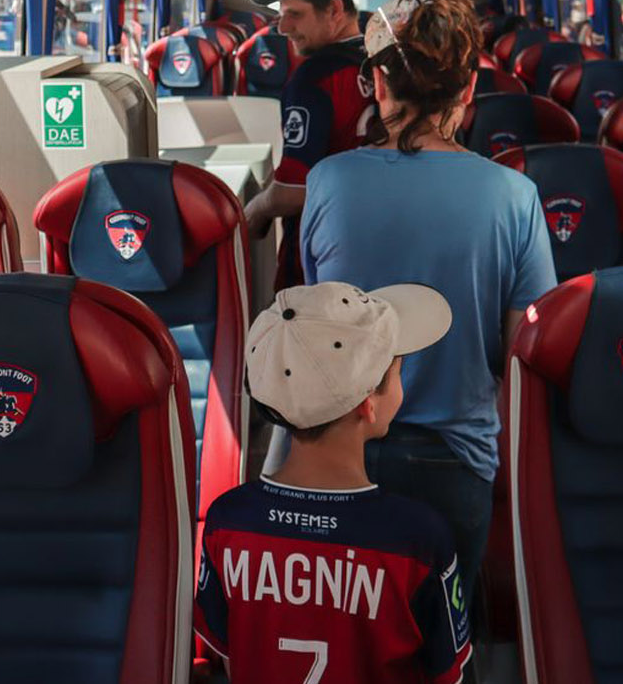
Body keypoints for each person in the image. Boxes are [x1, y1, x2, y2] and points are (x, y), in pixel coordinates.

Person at [299, 0, 557, 599]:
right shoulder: (514, 197)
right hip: (455, 462)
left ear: (380, 87)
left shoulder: (327, 181)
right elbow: (522, 347)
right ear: (468, 93)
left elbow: (321, 318)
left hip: (341, 454)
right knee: (441, 641)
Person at [195, 282, 472, 684]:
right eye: (397, 370)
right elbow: (446, 674)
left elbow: (229, 656)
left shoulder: (227, 522)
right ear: (368, 403)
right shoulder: (418, 541)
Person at [244, 0, 374, 287]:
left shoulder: (313, 80)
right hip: (381, 245)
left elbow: (293, 191)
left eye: (295, 15)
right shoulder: (385, 64)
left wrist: (254, 211)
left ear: (334, 9)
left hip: (319, 260)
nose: (284, 28)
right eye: (281, 15)